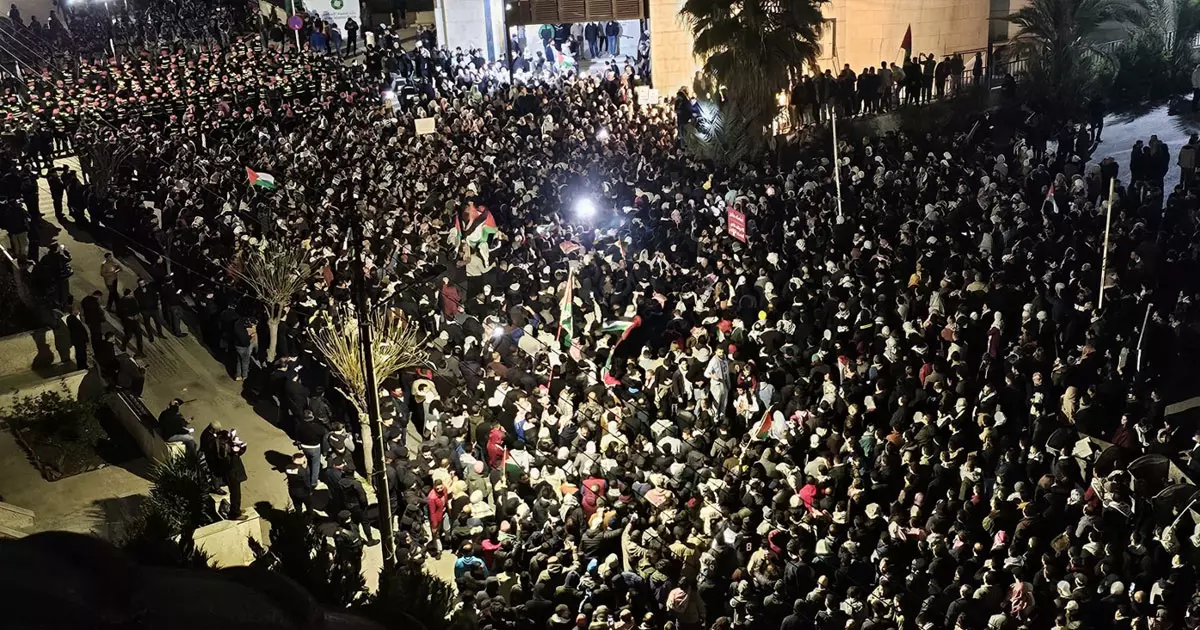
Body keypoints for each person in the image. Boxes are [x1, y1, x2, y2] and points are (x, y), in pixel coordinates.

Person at [294, 409, 327, 490]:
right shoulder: (316, 426)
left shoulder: (300, 425)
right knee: (316, 465)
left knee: (308, 463)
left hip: (304, 447)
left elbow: (297, 435)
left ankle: (307, 478)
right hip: (315, 447)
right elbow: (323, 432)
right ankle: (314, 483)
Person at [116, 288, 145, 356]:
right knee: (129, 335)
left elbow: (137, 308)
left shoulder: (133, 299)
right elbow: (119, 313)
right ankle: (124, 345)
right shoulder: (121, 302)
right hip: (127, 322)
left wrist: (137, 315)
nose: (132, 295)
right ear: (127, 295)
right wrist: (127, 317)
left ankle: (140, 351)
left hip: (135, 320)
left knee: (139, 336)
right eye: (131, 294)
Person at [66, 306, 89, 371]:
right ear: (73, 311)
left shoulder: (72, 318)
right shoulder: (72, 319)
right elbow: (79, 331)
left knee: (81, 353)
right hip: (79, 340)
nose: (78, 311)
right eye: (76, 310)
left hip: (79, 340)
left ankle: (82, 365)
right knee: (80, 353)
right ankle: (82, 366)